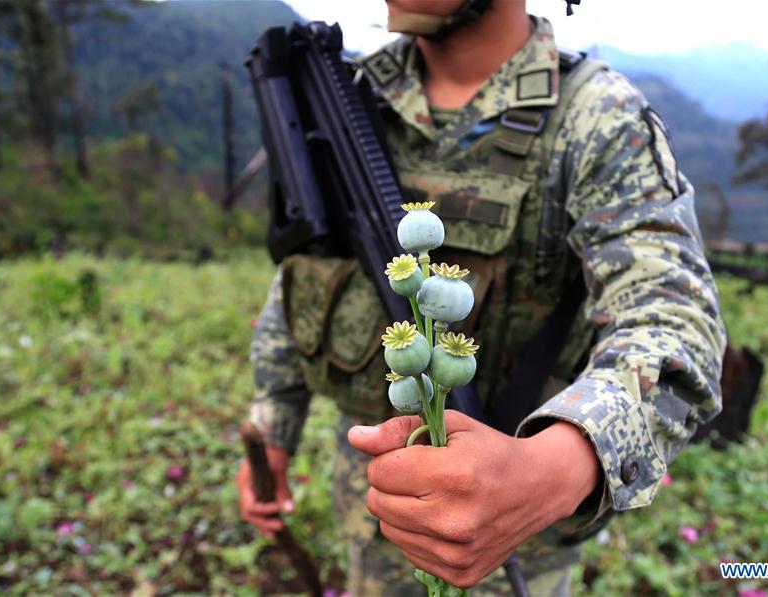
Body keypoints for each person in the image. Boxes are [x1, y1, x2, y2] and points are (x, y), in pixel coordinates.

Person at [237, 0, 727, 594]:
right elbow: (307, 270)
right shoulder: (356, 94)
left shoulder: (595, 117)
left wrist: (553, 470)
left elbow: (673, 320)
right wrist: (274, 424)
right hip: (374, 509)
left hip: (517, 542)